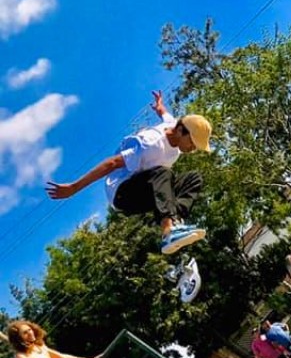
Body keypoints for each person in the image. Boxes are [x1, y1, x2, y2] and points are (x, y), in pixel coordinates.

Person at [45, 91, 213, 255]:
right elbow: (112, 163)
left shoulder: (175, 124)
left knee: (193, 178)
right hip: (122, 194)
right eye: (191, 144)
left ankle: (175, 223)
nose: (191, 150)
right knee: (163, 173)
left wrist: (159, 106)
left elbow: (165, 115)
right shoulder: (150, 144)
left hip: (149, 188)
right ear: (180, 131)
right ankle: (169, 231)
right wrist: (74, 187)